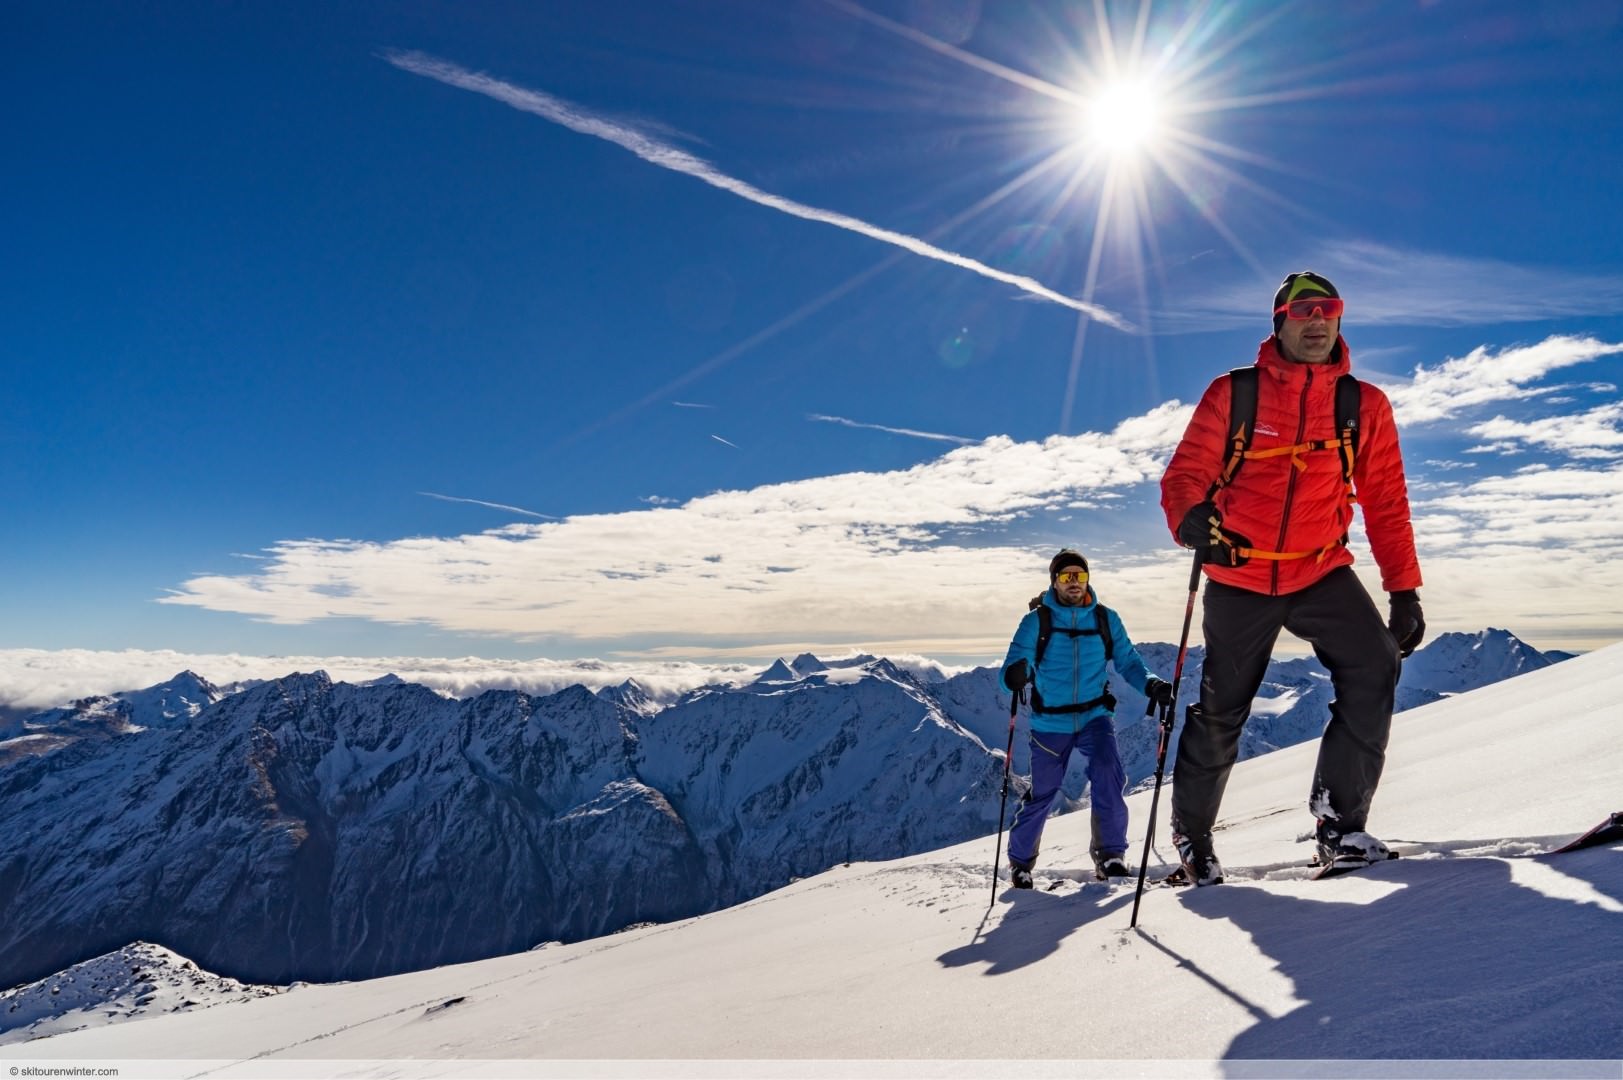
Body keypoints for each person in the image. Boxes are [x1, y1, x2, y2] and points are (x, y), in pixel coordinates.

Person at [1159, 270, 1424, 885]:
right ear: (1279, 321)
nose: (1317, 321)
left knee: (1375, 665)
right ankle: (1194, 841)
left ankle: (1339, 826)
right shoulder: (1235, 394)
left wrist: (1403, 589)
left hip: (1321, 568)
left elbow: (1386, 502)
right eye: (1303, 311)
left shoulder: (1364, 406)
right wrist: (1190, 519)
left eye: (1328, 310)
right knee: (1222, 709)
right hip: (1240, 573)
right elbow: (1186, 475)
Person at [1000, 549, 1175, 887]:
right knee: (1043, 793)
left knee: (1109, 775)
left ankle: (1110, 855)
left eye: (1080, 575)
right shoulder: (1037, 622)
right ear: (1054, 581)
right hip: (1050, 722)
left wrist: (1150, 684)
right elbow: (1011, 666)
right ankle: (1020, 863)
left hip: (1096, 716)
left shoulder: (1106, 619)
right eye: (1067, 576)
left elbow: (1128, 661)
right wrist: (1014, 675)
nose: (1074, 582)